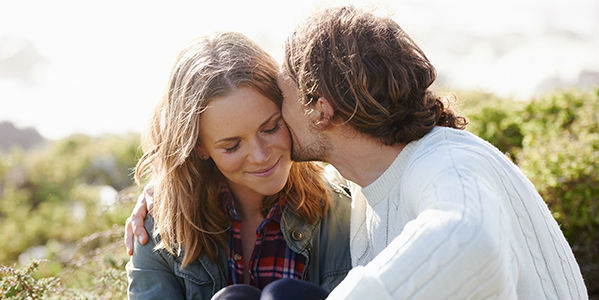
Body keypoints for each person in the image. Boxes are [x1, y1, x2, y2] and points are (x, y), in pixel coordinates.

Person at [127, 6, 588, 300]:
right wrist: (166, 187)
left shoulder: (447, 163)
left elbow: (471, 241)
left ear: (320, 110)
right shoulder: (369, 189)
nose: (266, 145)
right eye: (230, 144)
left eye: (276, 113)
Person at [125, 31, 352, 300]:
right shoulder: (163, 226)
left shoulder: (336, 213)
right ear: (199, 148)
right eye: (232, 146)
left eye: (270, 127)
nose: (259, 155)